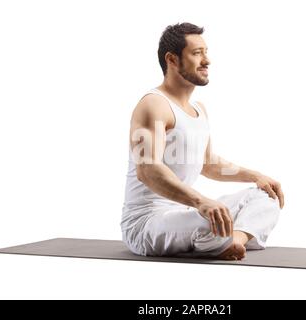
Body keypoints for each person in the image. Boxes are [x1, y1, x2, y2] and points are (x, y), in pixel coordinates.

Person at [121, 22, 284, 260]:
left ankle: (233, 242)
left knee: (265, 197)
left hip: (184, 212)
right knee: (209, 220)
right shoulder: (153, 104)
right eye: (197, 53)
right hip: (146, 223)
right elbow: (147, 170)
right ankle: (220, 239)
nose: (207, 61)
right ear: (172, 59)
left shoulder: (199, 110)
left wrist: (256, 176)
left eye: (206, 52)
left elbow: (208, 164)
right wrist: (201, 202)